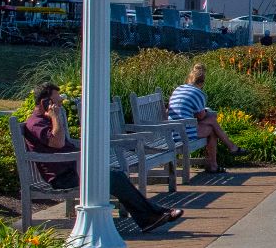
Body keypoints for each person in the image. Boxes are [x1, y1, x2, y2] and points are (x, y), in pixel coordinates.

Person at [23, 80, 183, 232]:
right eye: (56, 101)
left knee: (115, 175)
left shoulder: (47, 120)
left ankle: (151, 216)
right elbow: (57, 143)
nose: (59, 105)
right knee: (112, 177)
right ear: (45, 102)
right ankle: (150, 216)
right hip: (63, 178)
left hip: (74, 170)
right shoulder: (36, 123)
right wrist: (55, 116)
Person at [167, 64, 241, 173]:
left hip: (172, 130)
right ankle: (224, 154)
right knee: (212, 126)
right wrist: (207, 112)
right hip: (183, 133)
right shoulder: (198, 93)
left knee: (211, 121)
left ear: (189, 79)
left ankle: (228, 151)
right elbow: (201, 116)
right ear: (202, 82)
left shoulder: (179, 89)